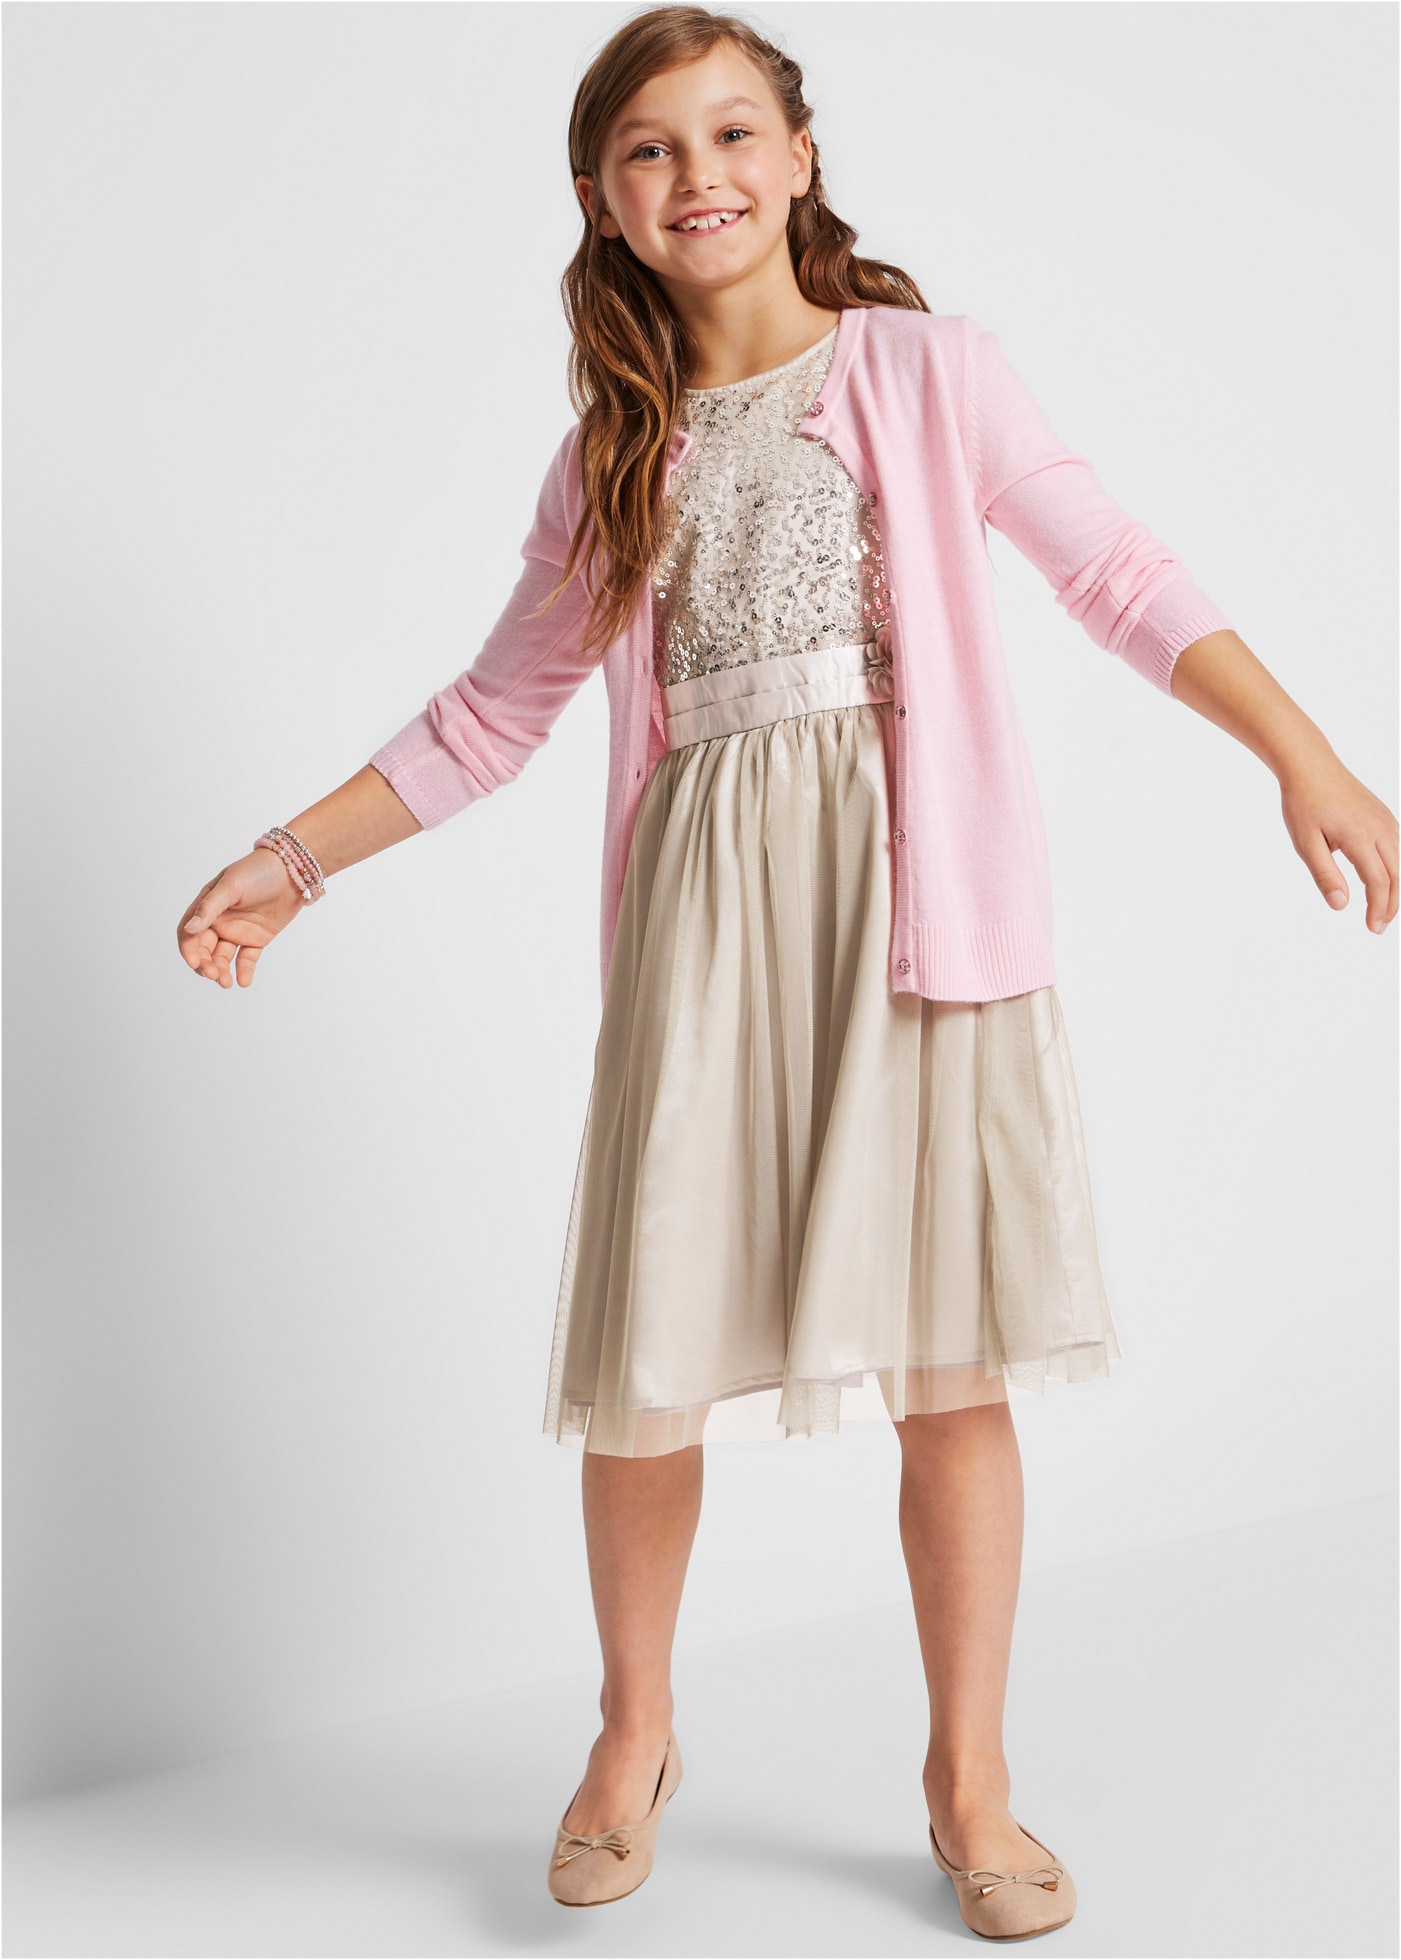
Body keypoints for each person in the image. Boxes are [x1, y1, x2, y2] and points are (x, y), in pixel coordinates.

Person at [177, 6, 1397, 1940]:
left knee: (948, 1361)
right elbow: (493, 714)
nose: (700, 175)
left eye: (734, 131)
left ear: (802, 155)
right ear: (601, 199)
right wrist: (292, 858)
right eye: (651, 150)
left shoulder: (925, 370)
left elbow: (1113, 571)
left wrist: (1301, 755)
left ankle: (968, 1775)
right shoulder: (612, 452)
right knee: (646, 1367)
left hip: (917, 913)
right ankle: (633, 1731)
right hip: (702, 931)